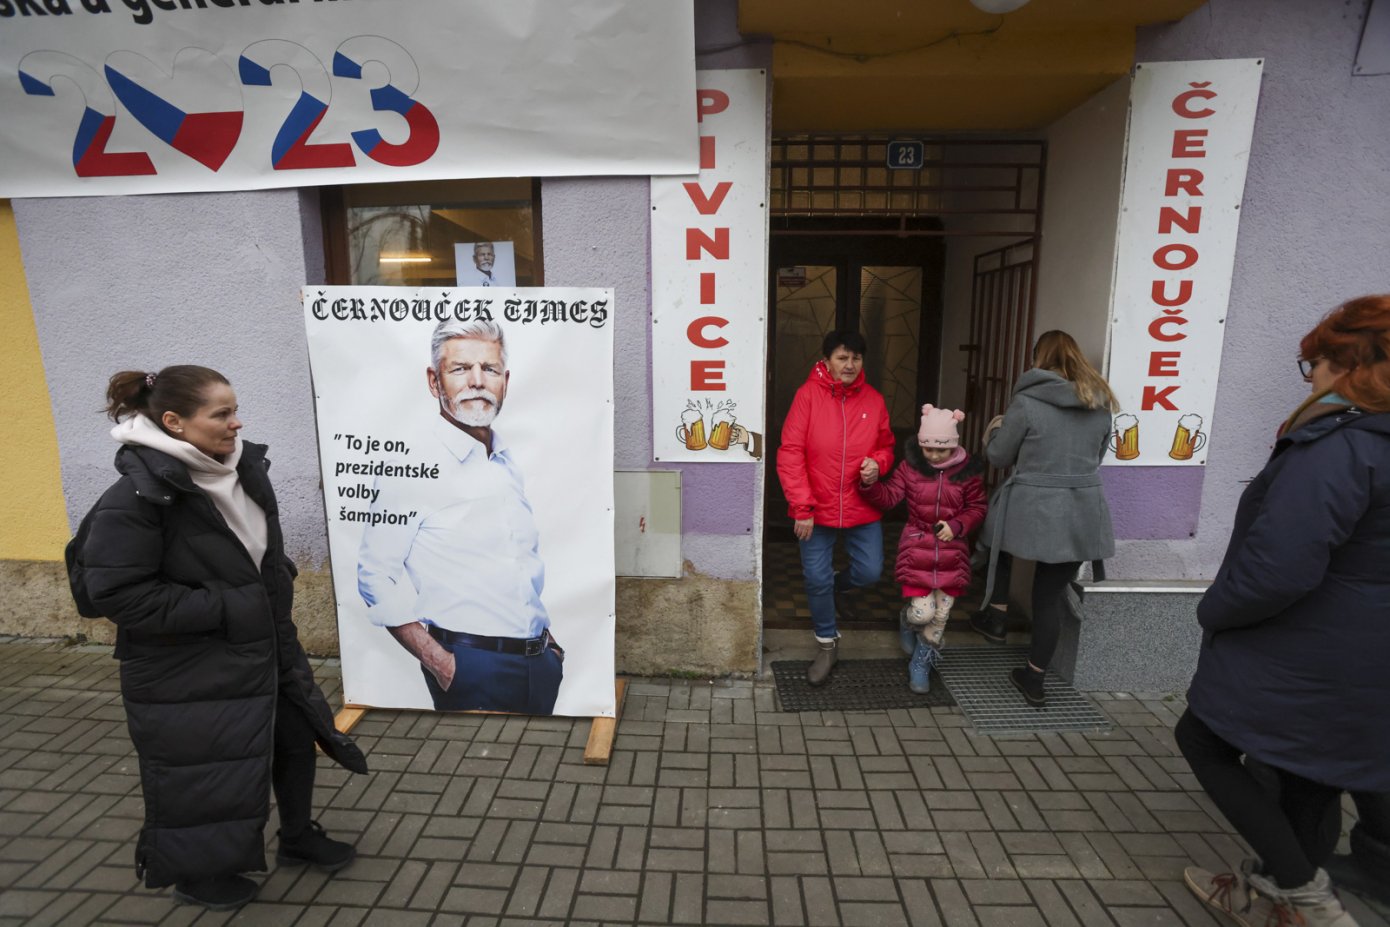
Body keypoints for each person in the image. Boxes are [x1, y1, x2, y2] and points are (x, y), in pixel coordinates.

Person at [70, 366, 365, 912]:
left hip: (263, 642)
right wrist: (230, 606)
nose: (237, 423)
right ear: (175, 422)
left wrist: (273, 585)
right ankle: (199, 875)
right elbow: (116, 594)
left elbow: (253, 552)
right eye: (222, 414)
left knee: (296, 737)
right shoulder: (136, 496)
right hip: (189, 663)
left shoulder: (242, 468)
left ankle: (297, 837)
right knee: (208, 768)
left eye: (235, 409)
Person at [1178, 295, 1390, 927]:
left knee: (1202, 739)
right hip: (1366, 657)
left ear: (1347, 365)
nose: (1312, 378)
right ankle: (1277, 894)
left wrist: (1214, 610)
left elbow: (1279, 568)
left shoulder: (1341, 449)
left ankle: (1302, 895)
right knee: (1309, 778)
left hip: (1313, 650)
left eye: (1314, 364)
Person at [357, 318, 564, 714]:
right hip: (471, 668)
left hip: (539, 665)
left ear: (505, 380)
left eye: (489, 369)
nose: (477, 381)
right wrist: (443, 664)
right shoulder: (413, 466)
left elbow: (515, 566)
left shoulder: (504, 461)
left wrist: (549, 647)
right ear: (435, 382)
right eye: (459, 369)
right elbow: (374, 577)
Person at [970, 330, 1116, 707]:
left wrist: (994, 431)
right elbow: (1097, 456)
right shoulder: (1099, 403)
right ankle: (1034, 679)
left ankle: (997, 617)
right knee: (1048, 598)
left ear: (1039, 357)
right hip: (1081, 510)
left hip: (1032, 504)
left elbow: (1000, 456)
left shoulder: (1027, 402)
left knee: (996, 542)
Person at [776, 329, 895, 686]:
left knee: (871, 571)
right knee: (815, 577)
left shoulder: (873, 400)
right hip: (816, 506)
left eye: (856, 358)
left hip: (860, 505)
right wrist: (801, 506)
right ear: (826, 360)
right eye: (842, 358)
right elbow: (790, 452)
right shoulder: (807, 396)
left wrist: (878, 463)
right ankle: (827, 643)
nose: (850, 365)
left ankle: (837, 588)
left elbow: (887, 446)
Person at [860, 405, 987, 694]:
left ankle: (921, 662)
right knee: (922, 613)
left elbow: (978, 507)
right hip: (917, 548)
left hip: (952, 553)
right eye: (927, 449)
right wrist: (869, 485)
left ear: (953, 446)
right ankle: (907, 619)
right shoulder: (911, 468)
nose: (933, 456)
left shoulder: (967, 472)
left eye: (940, 450)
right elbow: (890, 496)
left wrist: (957, 525)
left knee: (940, 616)